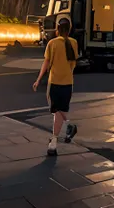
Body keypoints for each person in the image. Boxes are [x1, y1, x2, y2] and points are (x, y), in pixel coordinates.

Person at [33, 19, 79, 156]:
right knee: (59, 112)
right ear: (69, 29)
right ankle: (53, 144)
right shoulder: (74, 43)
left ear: (57, 29)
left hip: (54, 82)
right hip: (68, 83)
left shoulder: (52, 43)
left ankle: (68, 127)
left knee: (56, 110)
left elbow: (46, 63)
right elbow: (73, 64)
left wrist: (38, 79)